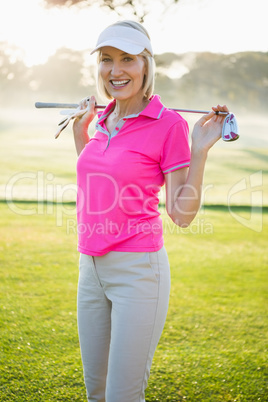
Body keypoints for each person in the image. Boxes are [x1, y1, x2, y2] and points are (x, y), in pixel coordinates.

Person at [72, 20, 229, 402]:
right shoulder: (102, 120)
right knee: (96, 392)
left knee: (122, 396)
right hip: (90, 269)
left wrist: (199, 152)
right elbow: (101, 186)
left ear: (146, 65)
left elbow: (182, 214)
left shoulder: (168, 124)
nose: (115, 70)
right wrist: (82, 134)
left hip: (138, 272)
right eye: (107, 60)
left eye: (127, 59)